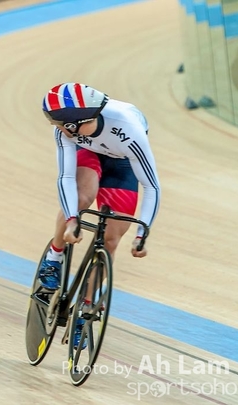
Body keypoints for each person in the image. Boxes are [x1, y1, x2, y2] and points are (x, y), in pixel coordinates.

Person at [39, 82, 161, 348]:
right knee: (82, 197)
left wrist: (143, 232)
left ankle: (86, 306)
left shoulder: (130, 129)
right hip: (90, 152)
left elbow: (151, 185)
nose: (55, 128)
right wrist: (72, 219)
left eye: (58, 123)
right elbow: (66, 177)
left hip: (122, 160)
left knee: (111, 239)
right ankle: (54, 256)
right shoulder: (66, 130)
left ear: (78, 121)